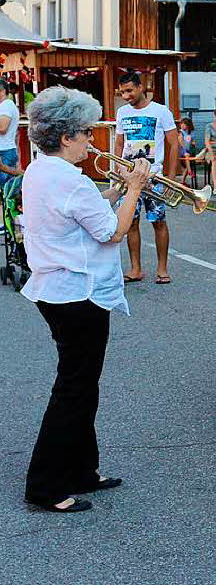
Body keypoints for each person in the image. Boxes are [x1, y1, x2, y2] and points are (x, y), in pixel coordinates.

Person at [20, 86, 151, 513]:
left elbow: (84, 210)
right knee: (74, 389)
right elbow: (112, 232)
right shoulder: (70, 180)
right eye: (85, 134)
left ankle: (82, 469)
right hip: (79, 294)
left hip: (57, 290)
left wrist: (114, 190)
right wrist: (133, 188)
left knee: (82, 385)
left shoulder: (41, 171)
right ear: (65, 137)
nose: (91, 142)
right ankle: (44, 485)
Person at [114, 71, 179, 285]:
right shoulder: (122, 112)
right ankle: (136, 269)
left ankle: (162, 269)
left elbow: (173, 144)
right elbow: (119, 144)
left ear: (141, 87)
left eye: (130, 90)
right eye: (123, 92)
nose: (126, 96)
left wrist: (171, 178)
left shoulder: (161, 111)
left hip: (154, 177)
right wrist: (117, 171)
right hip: (129, 176)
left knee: (158, 222)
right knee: (130, 223)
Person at [0, 79, 24, 188]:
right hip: (6, 150)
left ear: (3, 91)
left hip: (4, 151)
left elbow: (2, 127)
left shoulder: (6, 105)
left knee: (5, 187)